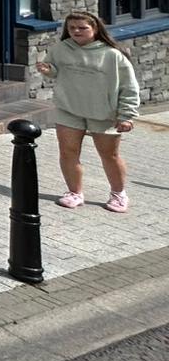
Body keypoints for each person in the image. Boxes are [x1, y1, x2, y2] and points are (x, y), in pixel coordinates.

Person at [35, 11, 139, 213]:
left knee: (109, 155)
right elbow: (54, 70)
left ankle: (118, 194)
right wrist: (48, 70)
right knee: (68, 152)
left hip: (104, 113)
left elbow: (129, 87)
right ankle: (75, 193)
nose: (76, 31)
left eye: (82, 27)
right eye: (72, 28)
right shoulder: (60, 48)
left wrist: (127, 116)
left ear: (95, 28)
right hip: (68, 109)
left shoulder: (112, 55)